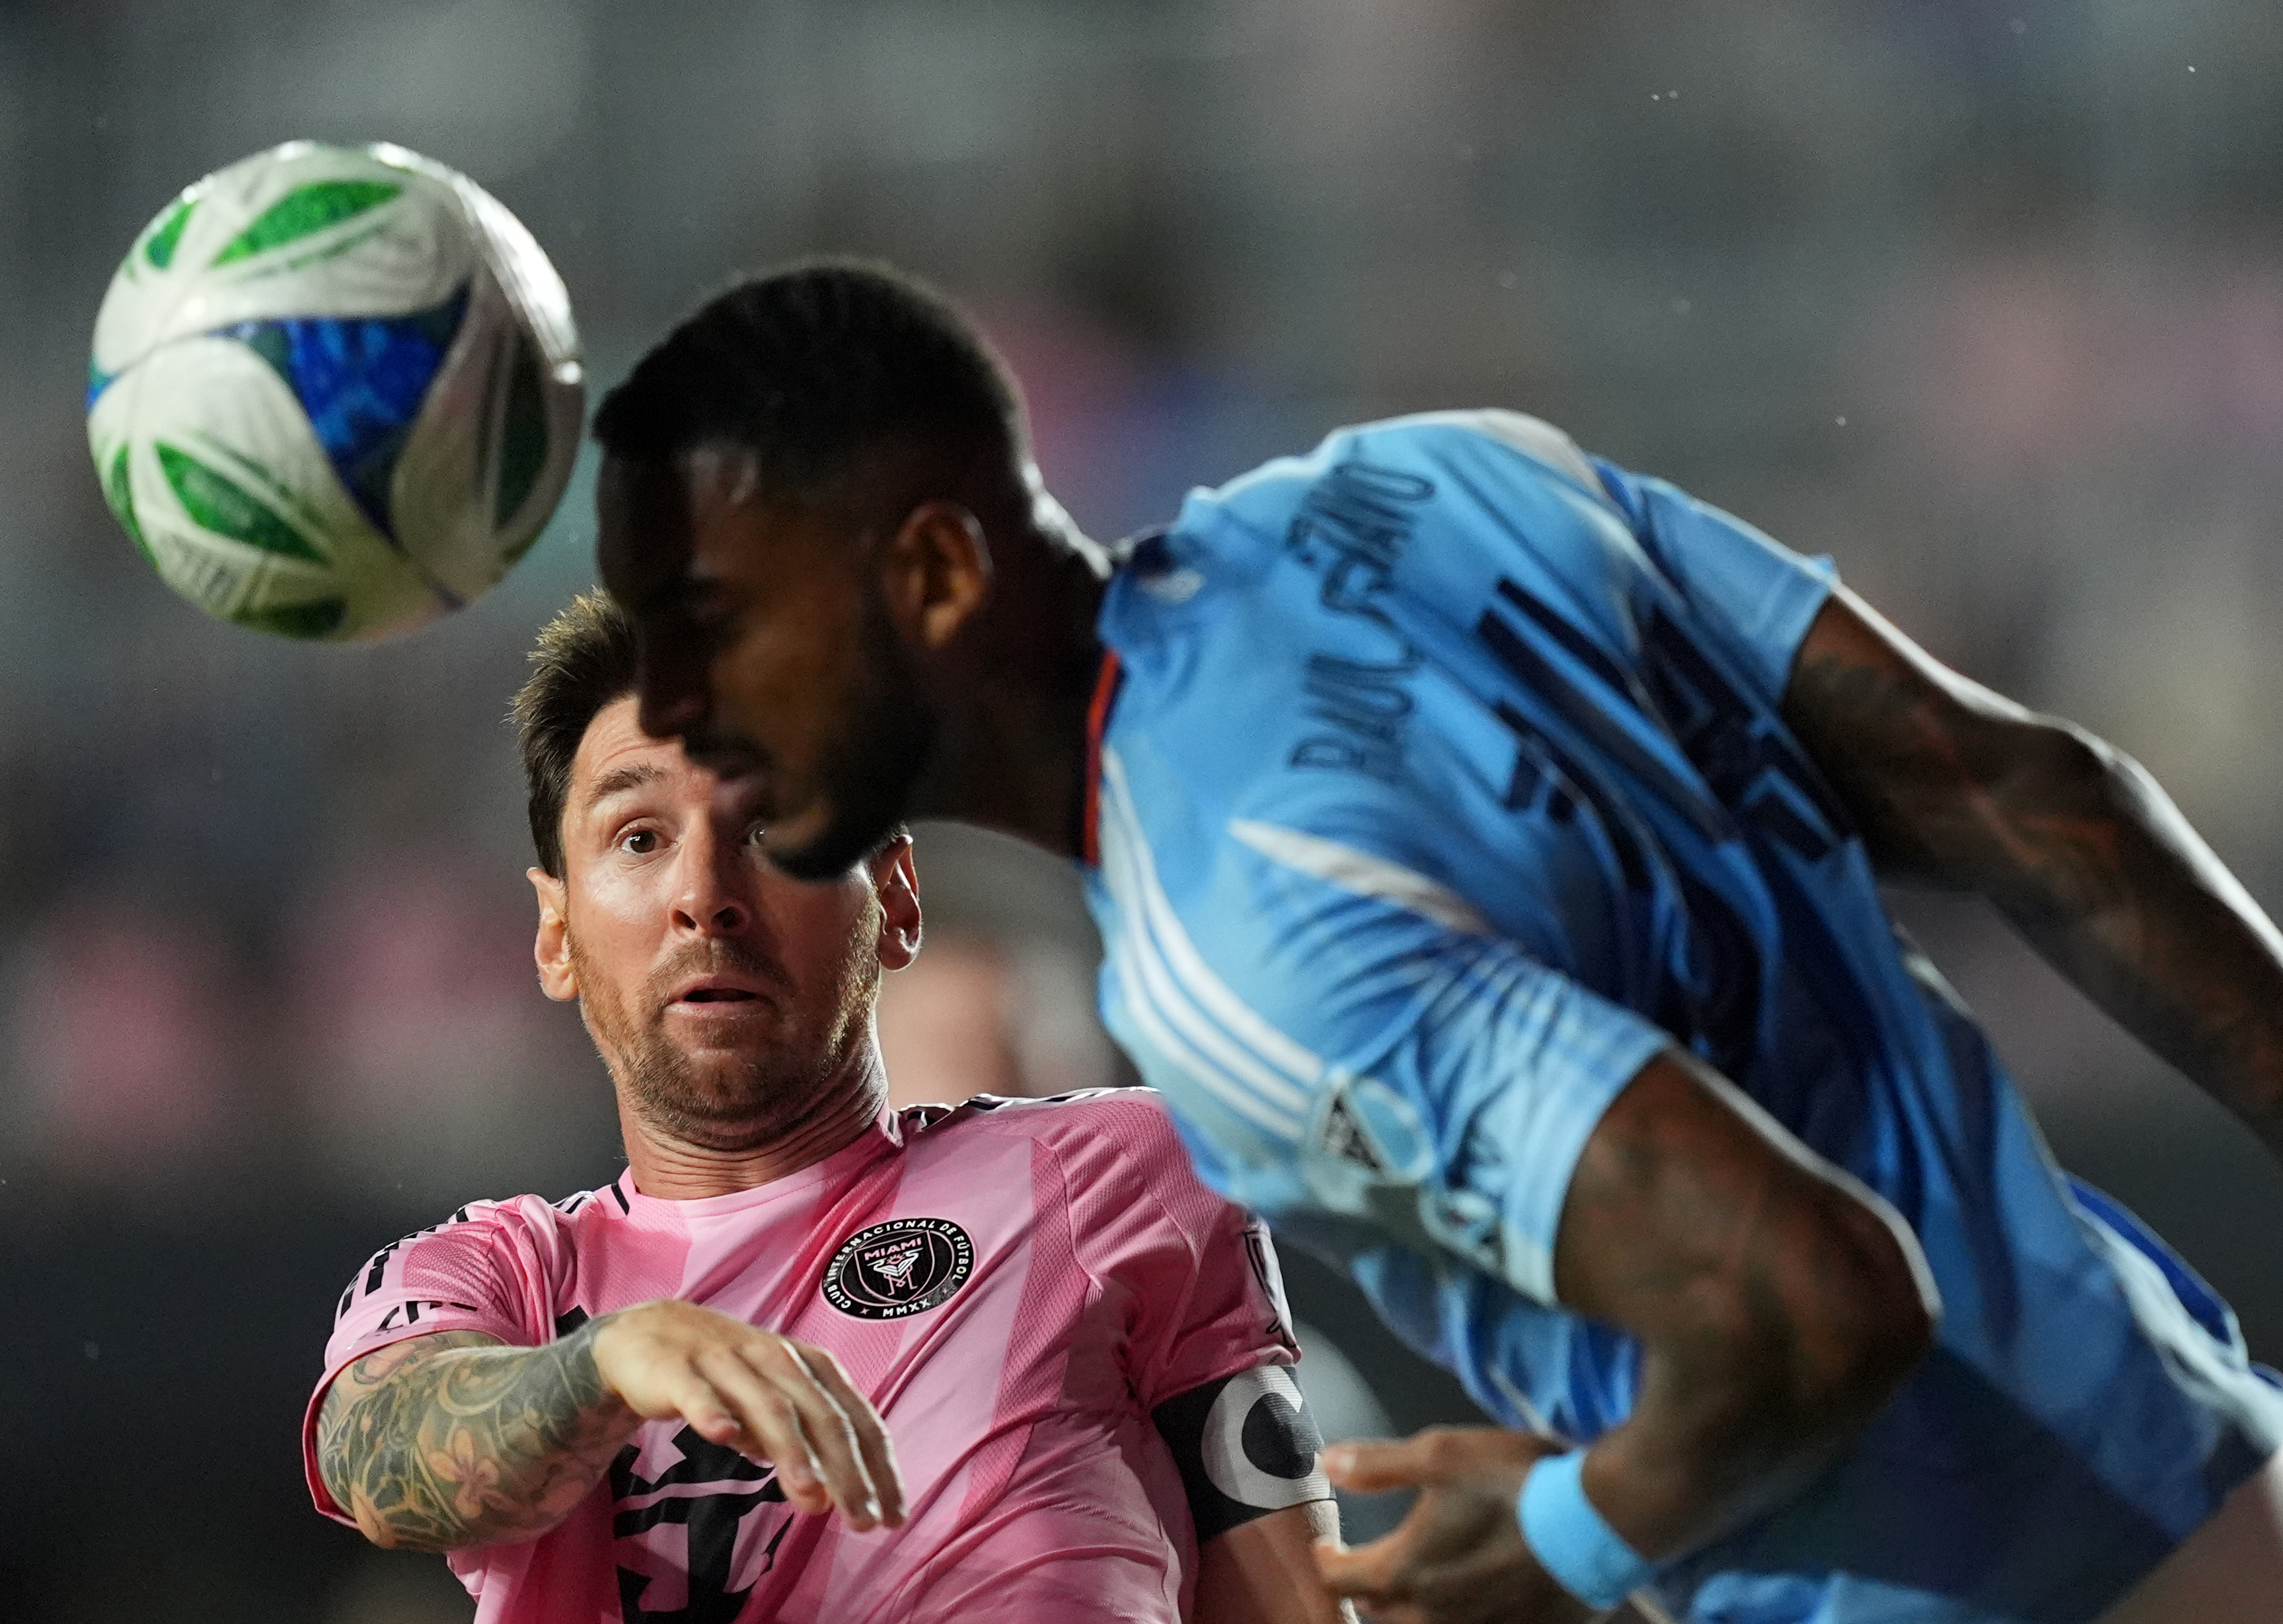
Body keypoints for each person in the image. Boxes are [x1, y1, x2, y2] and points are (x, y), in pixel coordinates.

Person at [591, 259, 2283, 1624]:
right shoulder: (1417, 493)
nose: (669, 701)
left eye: (710, 625)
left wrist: (1560, 1534)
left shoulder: (1231, 961)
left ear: (939, 570)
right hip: (2197, 1451)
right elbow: (2034, 795)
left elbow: (1816, 1297)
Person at [300, 592, 1345, 1623]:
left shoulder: (1126, 1174)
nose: (703, 889)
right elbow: (383, 1452)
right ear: (556, 934)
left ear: (893, 899)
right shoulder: (497, 1283)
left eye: (770, 823)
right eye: (636, 835)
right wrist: (605, 1362)